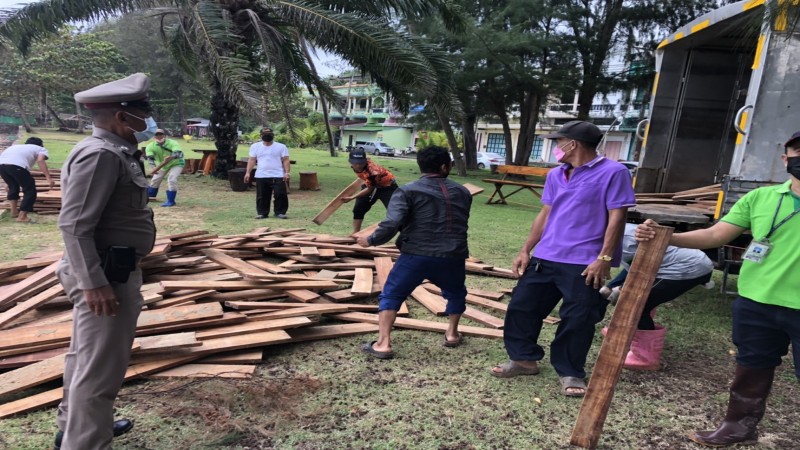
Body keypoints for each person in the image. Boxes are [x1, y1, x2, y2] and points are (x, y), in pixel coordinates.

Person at [636, 132, 800, 447]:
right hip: (756, 302)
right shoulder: (761, 198)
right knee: (752, 366)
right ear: (785, 158)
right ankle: (739, 426)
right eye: (799, 150)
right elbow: (716, 235)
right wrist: (667, 237)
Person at [490, 120, 636, 398]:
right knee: (522, 307)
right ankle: (523, 359)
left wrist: (604, 257)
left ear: (574, 144)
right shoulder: (556, 175)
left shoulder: (614, 172)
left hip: (585, 260)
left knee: (578, 317)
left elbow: (618, 216)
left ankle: (570, 371)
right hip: (546, 255)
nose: (557, 147)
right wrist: (526, 249)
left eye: (559, 142)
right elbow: (546, 214)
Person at [54, 73, 157, 450]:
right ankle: (85, 442)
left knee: (84, 357)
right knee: (101, 370)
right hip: (105, 276)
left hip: (107, 270)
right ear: (121, 116)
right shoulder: (100, 155)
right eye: (143, 112)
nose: (148, 120)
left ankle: (75, 427)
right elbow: (75, 225)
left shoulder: (116, 151)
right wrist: (94, 283)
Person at [356, 146, 471, 358]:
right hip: (453, 255)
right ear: (445, 166)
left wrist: (371, 240)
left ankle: (383, 344)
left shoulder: (407, 191)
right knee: (456, 292)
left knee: (392, 293)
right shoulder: (462, 192)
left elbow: (392, 222)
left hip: (416, 254)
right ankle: (452, 334)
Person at [600, 223, 715, 370]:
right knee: (634, 299)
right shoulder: (614, 233)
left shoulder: (626, 241)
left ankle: (645, 356)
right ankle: (626, 331)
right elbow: (631, 266)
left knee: (636, 305)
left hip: (689, 267)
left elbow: (639, 268)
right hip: (665, 263)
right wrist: (611, 286)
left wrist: (621, 289)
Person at [341, 148, 398, 233]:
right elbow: (366, 180)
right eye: (355, 163)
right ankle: (355, 235)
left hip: (387, 187)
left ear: (365, 161)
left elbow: (369, 189)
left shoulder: (373, 171)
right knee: (358, 208)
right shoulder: (357, 167)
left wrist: (352, 197)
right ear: (350, 161)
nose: (358, 166)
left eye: (361, 163)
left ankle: (407, 237)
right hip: (371, 183)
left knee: (396, 212)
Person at [0, 137, 53, 222]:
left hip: (2, 166)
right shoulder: (41, 149)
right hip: (17, 166)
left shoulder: (17, 147)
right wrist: (48, 177)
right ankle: (22, 217)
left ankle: (14, 212)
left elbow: (8, 162)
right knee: (30, 190)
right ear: (41, 145)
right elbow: (40, 160)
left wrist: (8, 182)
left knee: (13, 187)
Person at [244, 127, 290, 219]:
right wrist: (248, 172)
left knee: (280, 194)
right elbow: (252, 160)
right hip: (261, 175)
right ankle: (262, 213)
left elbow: (286, 160)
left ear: (273, 135)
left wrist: (287, 172)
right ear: (261, 136)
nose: (267, 136)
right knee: (262, 195)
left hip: (278, 174)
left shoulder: (281, 146)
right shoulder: (255, 146)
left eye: (269, 134)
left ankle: (280, 212)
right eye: (265, 135)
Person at [144, 128, 185, 207]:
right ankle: (150, 197)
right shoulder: (150, 146)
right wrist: (153, 167)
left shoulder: (173, 143)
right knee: (156, 179)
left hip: (176, 163)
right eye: (157, 135)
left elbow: (178, 153)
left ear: (165, 136)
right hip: (163, 165)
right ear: (153, 137)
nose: (159, 136)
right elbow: (150, 158)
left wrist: (171, 157)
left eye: (161, 135)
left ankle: (171, 201)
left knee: (172, 179)